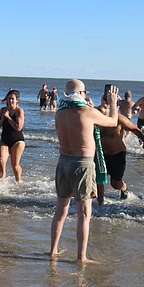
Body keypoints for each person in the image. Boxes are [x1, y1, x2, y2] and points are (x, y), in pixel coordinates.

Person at [50, 80, 119, 263]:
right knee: (84, 213)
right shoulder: (88, 112)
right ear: (82, 92)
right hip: (83, 164)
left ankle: (53, 251)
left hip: (63, 162)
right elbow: (112, 122)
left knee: (60, 211)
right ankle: (81, 257)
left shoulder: (59, 113)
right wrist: (112, 103)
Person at [97, 95, 144, 199]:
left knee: (115, 184)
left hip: (117, 154)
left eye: (107, 104)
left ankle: (124, 189)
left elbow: (134, 129)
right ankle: (100, 203)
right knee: (99, 180)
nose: (105, 106)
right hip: (102, 154)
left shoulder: (119, 119)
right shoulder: (96, 117)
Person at [0, 89, 25, 183]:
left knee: (14, 165)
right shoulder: (3, 110)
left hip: (18, 141)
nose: (10, 101)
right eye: (8, 99)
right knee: (1, 162)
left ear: (17, 100)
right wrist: (3, 118)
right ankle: (1, 184)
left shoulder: (19, 111)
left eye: (12, 99)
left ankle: (19, 181)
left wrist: (8, 118)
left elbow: (18, 128)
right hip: (4, 140)